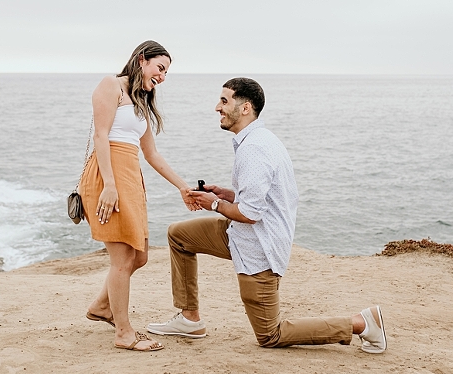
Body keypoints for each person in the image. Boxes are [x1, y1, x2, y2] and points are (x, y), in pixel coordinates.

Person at [146, 77, 387, 353]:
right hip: (239, 235)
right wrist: (226, 194)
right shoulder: (259, 139)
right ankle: (189, 319)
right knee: (179, 236)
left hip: (259, 249)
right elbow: (259, 199)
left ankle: (362, 323)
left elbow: (250, 213)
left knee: (270, 335)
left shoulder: (254, 149)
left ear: (245, 108)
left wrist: (213, 204)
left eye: (224, 101)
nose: (217, 107)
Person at [79, 40, 199, 352]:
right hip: (109, 176)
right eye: (160, 68)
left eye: (166, 72)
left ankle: (102, 307)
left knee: (140, 256)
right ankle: (123, 332)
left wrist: (183, 187)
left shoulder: (141, 101)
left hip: (131, 177)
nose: (162, 76)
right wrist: (109, 185)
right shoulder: (111, 86)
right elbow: (100, 136)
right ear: (142, 59)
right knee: (123, 259)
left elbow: (152, 154)